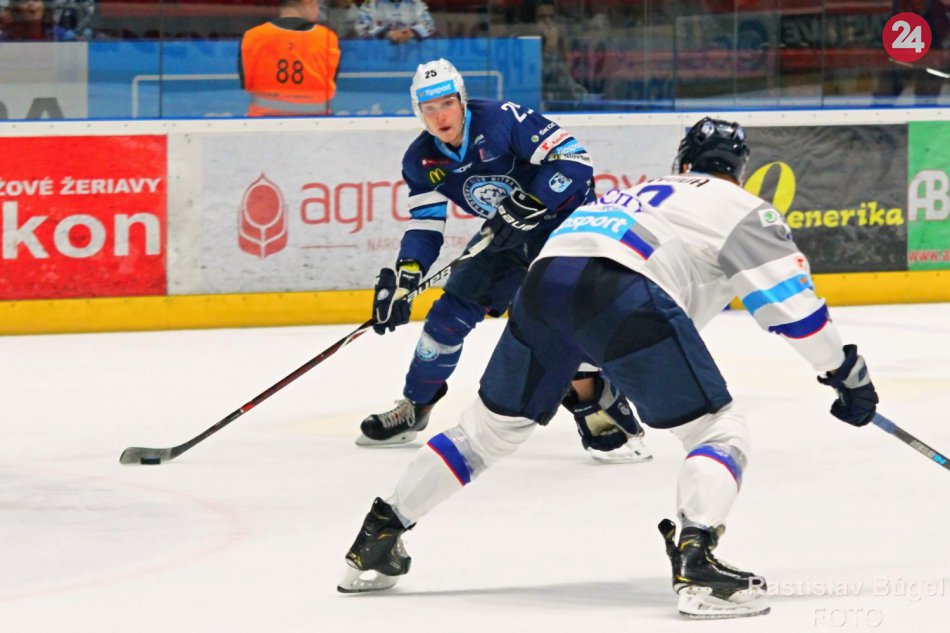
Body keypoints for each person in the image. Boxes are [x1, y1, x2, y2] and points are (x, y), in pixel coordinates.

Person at [338, 117, 881, 619]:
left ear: (682, 162)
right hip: (623, 293)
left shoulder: (639, 191)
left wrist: (588, 363)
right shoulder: (742, 207)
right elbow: (794, 310)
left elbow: (583, 294)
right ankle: (697, 564)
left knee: (483, 435)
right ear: (739, 170)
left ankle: (377, 539)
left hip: (544, 282)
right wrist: (845, 372)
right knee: (719, 429)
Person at [359, 58, 651, 465]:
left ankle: (607, 418)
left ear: (462, 100)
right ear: (418, 112)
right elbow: (425, 225)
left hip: (567, 229)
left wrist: (533, 200)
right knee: (446, 319)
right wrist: (407, 275)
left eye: (447, 104)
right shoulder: (421, 160)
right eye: (430, 108)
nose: (441, 116)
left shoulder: (501, 120)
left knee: (562, 328)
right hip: (507, 234)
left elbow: (575, 160)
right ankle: (415, 406)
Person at [239, 0, 341, 117]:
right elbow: (332, 78)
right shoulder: (327, 37)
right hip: (317, 120)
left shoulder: (253, 36)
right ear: (308, 3)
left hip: (263, 120)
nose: (318, 11)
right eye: (318, 5)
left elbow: (245, 81)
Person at [353, 0, 434, 44]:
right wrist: (386, 33)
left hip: (410, 50)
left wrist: (412, 32)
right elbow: (362, 27)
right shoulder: (371, 3)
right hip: (379, 51)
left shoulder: (416, 3)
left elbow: (429, 25)